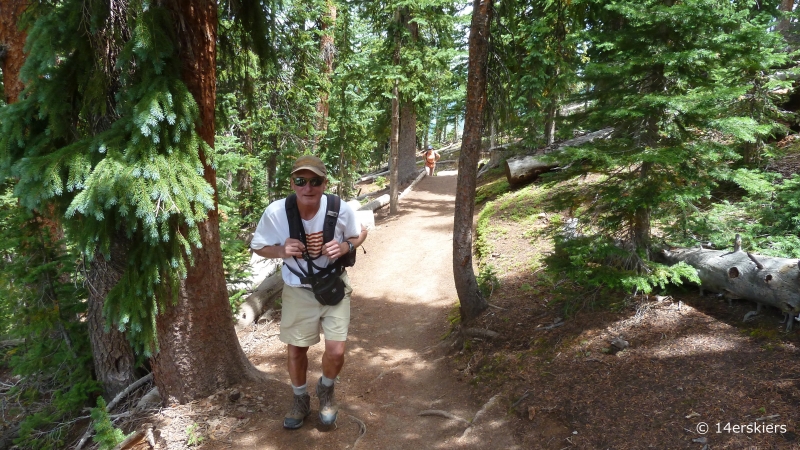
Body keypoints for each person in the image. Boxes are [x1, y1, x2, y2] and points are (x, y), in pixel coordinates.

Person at [250, 155, 367, 429]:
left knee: (336, 351)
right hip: (298, 289)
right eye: (301, 181)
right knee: (296, 350)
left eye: (315, 181)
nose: (308, 187)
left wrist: (346, 247)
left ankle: (326, 390)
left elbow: (359, 233)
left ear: (324, 183)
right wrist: (280, 250)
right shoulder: (277, 212)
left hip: (334, 285)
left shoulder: (339, 208)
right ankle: (300, 399)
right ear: (292, 183)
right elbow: (258, 244)